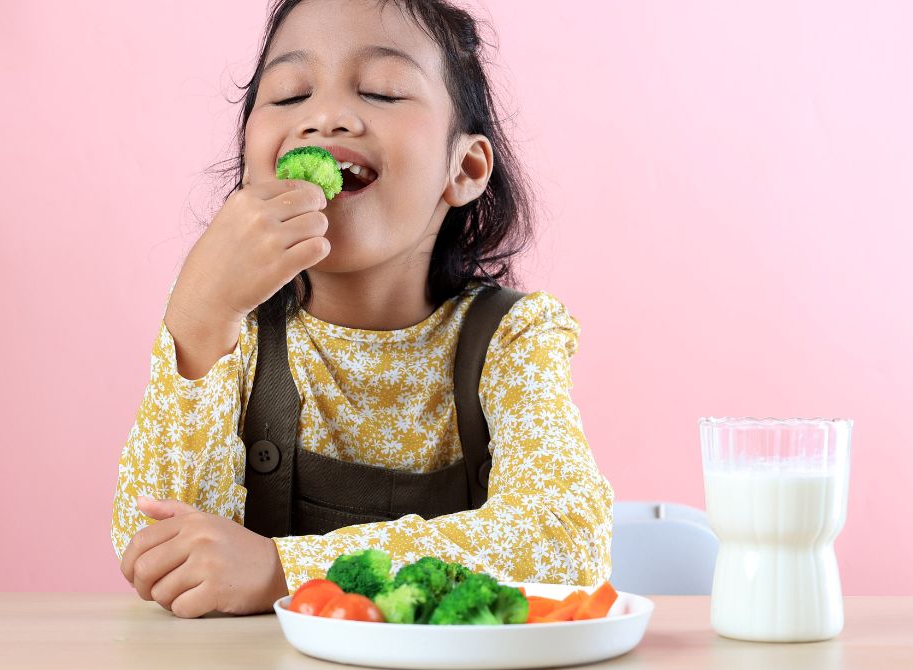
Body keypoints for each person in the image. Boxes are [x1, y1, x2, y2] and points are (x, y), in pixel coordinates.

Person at [111, 0, 614, 619]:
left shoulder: (512, 340)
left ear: (465, 166)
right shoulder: (226, 331)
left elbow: (566, 542)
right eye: (290, 95)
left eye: (381, 90)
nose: (325, 116)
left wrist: (283, 570)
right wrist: (197, 319)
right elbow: (162, 554)